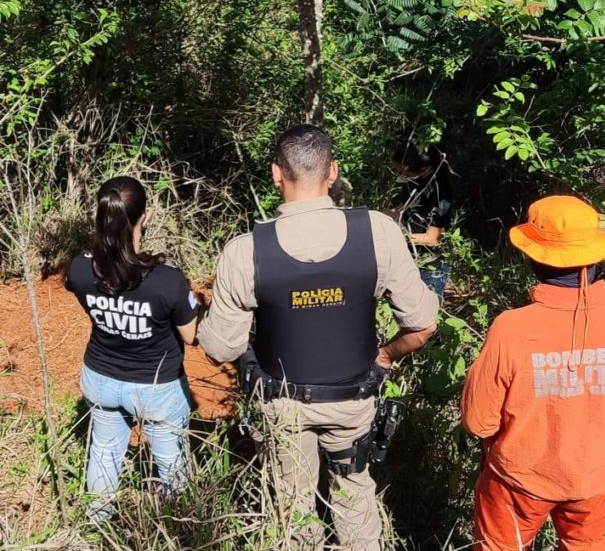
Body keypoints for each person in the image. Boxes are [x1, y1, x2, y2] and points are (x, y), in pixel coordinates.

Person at [197, 124, 438, 550]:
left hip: (282, 402)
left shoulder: (246, 250)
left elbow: (220, 348)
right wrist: (385, 354)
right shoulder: (378, 232)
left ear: (276, 174)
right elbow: (423, 325)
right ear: (333, 172)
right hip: (354, 399)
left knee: (291, 504)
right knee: (355, 496)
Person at [460, 195, 605, 551]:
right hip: (598, 480)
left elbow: (479, 422)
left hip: (518, 480)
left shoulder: (512, 328)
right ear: (598, 256)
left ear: (532, 257)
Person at [65, 176, 198, 523]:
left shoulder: (79, 269)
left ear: (101, 216)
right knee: (171, 462)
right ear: (145, 217)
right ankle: (177, 528)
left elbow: (89, 286)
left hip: (100, 377)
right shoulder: (168, 280)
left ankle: (97, 524)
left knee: (104, 452)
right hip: (156, 386)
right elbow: (190, 335)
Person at [388, 143, 453, 299]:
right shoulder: (413, 181)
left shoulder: (440, 192)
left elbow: (433, 239)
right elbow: (401, 208)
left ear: (423, 169)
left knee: (428, 311)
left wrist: (395, 238)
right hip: (407, 258)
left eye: (401, 171)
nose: (399, 175)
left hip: (429, 264)